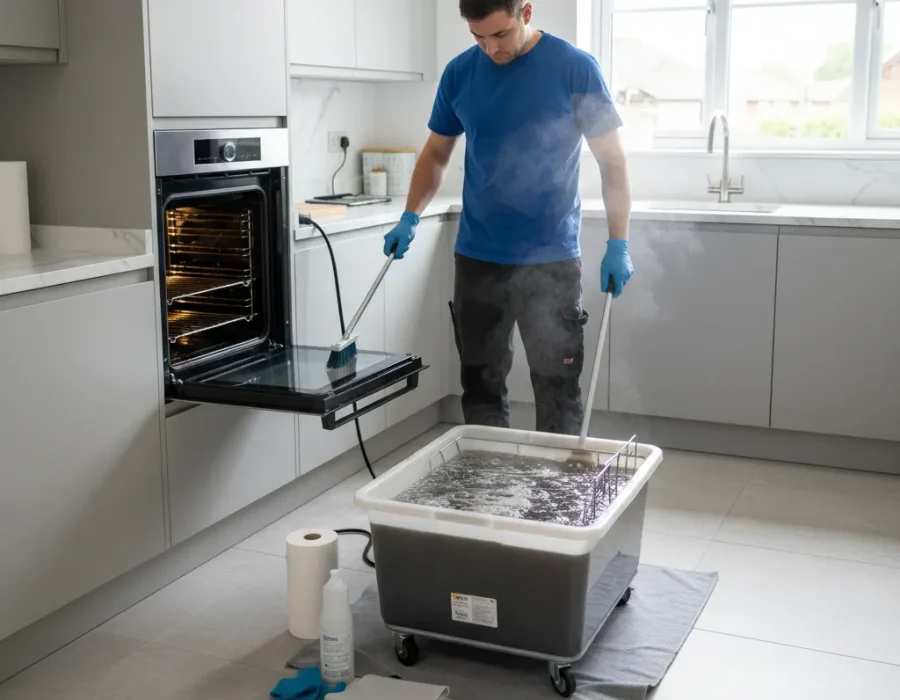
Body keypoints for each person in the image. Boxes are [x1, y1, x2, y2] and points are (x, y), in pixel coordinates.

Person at [382, 0, 633, 435]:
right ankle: (486, 479)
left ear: (526, 13)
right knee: (480, 388)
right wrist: (410, 215)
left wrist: (619, 242)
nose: (490, 49)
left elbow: (612, 161)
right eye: (478, 37)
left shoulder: (575, 69)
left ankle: (556, 482)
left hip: (551, 261)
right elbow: (437, 152)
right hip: (478, 260)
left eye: (500, 34)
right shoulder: (460, 73)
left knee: (558, 391)